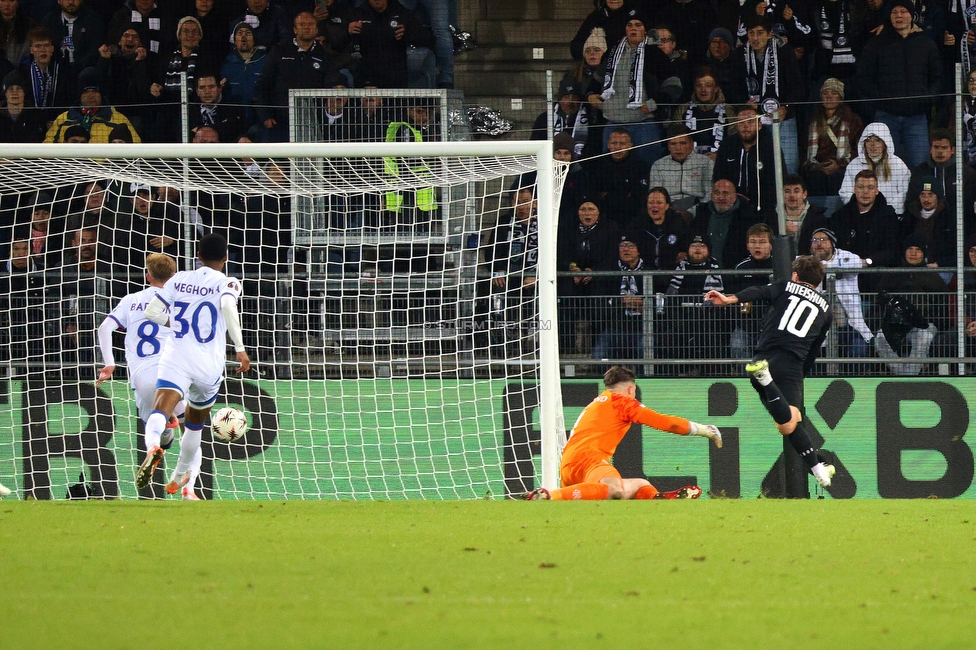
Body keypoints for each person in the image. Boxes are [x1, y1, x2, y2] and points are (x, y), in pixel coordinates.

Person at [705, 256, 837, 489]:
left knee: (788, 423)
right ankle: (818, 467)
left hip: (762, 357)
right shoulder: (826, 309)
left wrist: (730, 299)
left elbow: (759, 291)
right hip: (790, 364)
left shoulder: (785, 286)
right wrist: (800, 375)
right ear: (818, 282)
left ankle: (818, 467)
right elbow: (814, 349)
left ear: (796, 276)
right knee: (789, 422)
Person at [134, 233, 250, 493]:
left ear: (198, 256)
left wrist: (174, 324)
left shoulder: (180, 279)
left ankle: (154, 446)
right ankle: (178, 477)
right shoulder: (228, 282)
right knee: (194, 423)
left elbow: (151, 312)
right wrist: (240, 349)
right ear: (225, 257)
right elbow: (229, 308)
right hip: (208, 364)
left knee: (159, 412)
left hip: (177, 357)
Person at [524, 365, 722, 500]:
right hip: (589, 460)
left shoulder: (599, 401)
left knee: (639, 484)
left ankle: (657, 499)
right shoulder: (622, 401)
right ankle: (550, 496)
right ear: (630, 389)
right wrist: (704, 430)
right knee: (614, 487)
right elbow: (665, 423)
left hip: (569, 464)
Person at [95, 253, 202, 500]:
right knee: (192, 429)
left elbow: (105, 328)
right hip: (173, 372)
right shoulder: (180, 301)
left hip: (142, 376)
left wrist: (109, 365)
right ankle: (189, 489)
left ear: (148, 275)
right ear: (173, 276)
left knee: (155, 423)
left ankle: (154, 445)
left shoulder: (131, 300)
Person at [855, 0, 941, 169]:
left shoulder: (926, 43)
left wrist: (927, 98)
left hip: (916, 117)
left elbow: (937, 77)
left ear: (912, 16)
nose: (899, 16)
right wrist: (881, 100)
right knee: (883, 166)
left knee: (920, 166)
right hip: (886, 117)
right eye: (895, 12)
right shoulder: (876, 43)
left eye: (903, 12)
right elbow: (863, 78)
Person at [589, 10, 676, 166]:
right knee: (609, 169)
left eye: (638, 25)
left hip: (643, 122)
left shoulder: (655, 54)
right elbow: (596, 81)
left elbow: (674, 86)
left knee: (649, 165)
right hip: (612, 121)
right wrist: (590, 95)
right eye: (629, 25)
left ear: (645, 30)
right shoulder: (612, 52)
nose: (633, 28)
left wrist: (652, 104)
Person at [725, 14, 802, 174]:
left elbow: (798, 86)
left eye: (760, 32)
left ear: (769, 33)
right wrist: (744, 104)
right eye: (751, 33)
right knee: (761, 168)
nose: (755, 37)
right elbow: (732, 88)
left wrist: (786, 107)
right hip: (754, 121)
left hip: (783, 118)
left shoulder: (784, 52)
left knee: (788, 166)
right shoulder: (739, 55)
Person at [251, 11, 335, 142]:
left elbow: (329, 86)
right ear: (295, 29)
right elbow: (263, 85)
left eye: (310, 24)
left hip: (313, 121)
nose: (306, 27)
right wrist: (265, 115)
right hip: (280, 121)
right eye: (302, 24)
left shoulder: (324, 55)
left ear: (316, 29)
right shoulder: (279, 51)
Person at [875, 234, 950, 375]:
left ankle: (909, 376)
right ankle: (903, 375)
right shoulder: (892, 274)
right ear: (904, 251)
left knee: (923, 338)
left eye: (918, 250)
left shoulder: (933, 277)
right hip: (894, 324)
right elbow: (879, 303)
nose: (913, 253)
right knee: (881, 338)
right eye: (910, 248)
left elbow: (942, 307)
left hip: (923, 325)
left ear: (924, 254)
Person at [557, 195, 619, 356]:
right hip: (574, 279)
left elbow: (613, 257)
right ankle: (567, 350)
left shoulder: (610, 228)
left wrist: (594, 272)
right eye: (583, 209)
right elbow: (561, 253)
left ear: (598, 213)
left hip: (599, 279)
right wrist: (573, 268)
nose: (587, 213)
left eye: (591, 209)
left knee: (599, 304)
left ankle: (596, 351)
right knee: (565, 298)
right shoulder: (568, 228)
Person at [809, 227, 874, 362]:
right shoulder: (807, 262)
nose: (818, 244)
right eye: (815, 240)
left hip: (849, 324)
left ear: (832, 244)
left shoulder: (845, 256)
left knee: (859, 348)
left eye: (823, 240)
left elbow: (858, 264)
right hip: (818, 325)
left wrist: (828, 269)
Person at [800, 78, 863, 213]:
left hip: (843, 166)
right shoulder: (812, 120)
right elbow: (805, 150)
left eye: (833, 93)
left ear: (840, 97)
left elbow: (858, 149)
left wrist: (839, 164)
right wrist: (817, 166)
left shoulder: (853, 119)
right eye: (825, 93)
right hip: (818, 167)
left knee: (838, 178)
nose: (829, 97)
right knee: (815, 178)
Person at [713, 107, 780, 219]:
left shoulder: (770, 146)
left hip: (763, 205)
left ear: (759, 125)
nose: (745, 126)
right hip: (732, 203)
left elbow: (775, 181)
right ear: (736, 125)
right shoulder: (727, 145)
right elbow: (718, 176)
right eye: (741, 122)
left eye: (750, 122)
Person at [906, 128, 976, 234]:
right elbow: (911, 202)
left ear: (953, 150)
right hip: (926, 225)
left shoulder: (966, 173)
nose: (939, 152)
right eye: (936, 147)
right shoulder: (919, 172)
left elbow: (969, 205)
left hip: (958, 228)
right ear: (930, 149)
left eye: (944, 148)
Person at [44, 66, 140, 142]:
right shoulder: (63, 119)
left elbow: (136, 146)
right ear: (79, 94)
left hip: (104, 166)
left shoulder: (119, 120)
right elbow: (47, 147)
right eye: (86, 92)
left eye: (94, 91)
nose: (90, 96)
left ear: (101, 94)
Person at [831, 169, 902, 270]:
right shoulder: (840, 217)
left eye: (870, 187)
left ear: (877, 191)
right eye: (861, 187)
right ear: (854, 189)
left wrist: (868, 261)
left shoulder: (888, 216)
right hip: (846, 271)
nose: (865, 192)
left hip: (877, 273)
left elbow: (893, 251)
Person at [625, 186, 688, 294]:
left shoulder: (677, 223)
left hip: (672, 274)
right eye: (650, 202)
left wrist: (684, 253)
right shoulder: (638, 223)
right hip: (644, 275)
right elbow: (627, 243)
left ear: (667, 205)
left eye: (659, 202)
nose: (654, 206)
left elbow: (687, 244)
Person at [838, 122, 910, 215]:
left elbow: (904, 194)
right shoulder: (854, 165)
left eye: (877, 140)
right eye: (868, 140)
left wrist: (885, 211)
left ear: (885, 143)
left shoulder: (898, 165)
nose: (873, 144)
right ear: (864, 144)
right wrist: (864, 210)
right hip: (860, 216)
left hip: (890, 216)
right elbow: (845, 192)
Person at [688, 178, 761, 268]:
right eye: (717, 193)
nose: (721, 197)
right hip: (704, 273)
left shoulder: (748, 216)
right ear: (711, 196)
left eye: (726, 193)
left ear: (735, 196)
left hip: (735, 273)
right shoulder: (701, 214)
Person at [728, 222, 774, 359]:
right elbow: (732, 294)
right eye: (753, 242)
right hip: (746, 324)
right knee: (737, 345)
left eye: (762, 242)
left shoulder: (780, 266)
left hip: (771, 325)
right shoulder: (741, 268)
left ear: (771, 245)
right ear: (747, 246)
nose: (757, 246)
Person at [586, 127, 649, 225]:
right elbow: (594, 194)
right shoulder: (598, 164)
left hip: (631, 217)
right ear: (608, 145)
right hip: (603, 216)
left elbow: (638, 198)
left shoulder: (640, 166)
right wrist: (624, 195)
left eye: (622, 144)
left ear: (630, 146)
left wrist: (608, 195)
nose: (618, 147)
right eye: (614, 143)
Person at [648, 123, 713, 214]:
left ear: (692, 144)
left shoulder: (705, 163)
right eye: (673, 144)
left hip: (699, 210)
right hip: (668, 211)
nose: (678, 148)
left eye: (683, 143)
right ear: (668, 146)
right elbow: (655, 197)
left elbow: (710, 194)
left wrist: (692, 213)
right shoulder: (659, 165)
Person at [673, 65, 732, 162]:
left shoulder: (729, 110)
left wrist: (720, 155)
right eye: (699, 85)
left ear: (716, 88)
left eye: (708, 85)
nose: (703, 90)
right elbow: (674, 140)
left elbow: (735, 141)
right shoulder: (682, 109)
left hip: (720, 162)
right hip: (688, 162)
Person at [220, 22, 267, 129]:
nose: (243, 36)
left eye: (248, 33)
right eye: (240, 33)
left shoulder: (265, 61)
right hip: (235, 121)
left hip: (261, 120)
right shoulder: (226, 64)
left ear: (254, 39)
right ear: (234, 39)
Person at [41, 0, 105, 70]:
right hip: (57, 67)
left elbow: (94, 49)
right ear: (59, 1)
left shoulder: (93, 19)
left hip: (83, 67)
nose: (71, 2)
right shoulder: (50, 20)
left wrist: (78, 66)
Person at [781, 174, 828, 255]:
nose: (792, 195)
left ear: (804, 194)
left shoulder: (819, 219)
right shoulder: (772, 218)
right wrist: (783, 234)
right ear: (781, 194)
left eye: (796, 191)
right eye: (787, 191)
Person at [0, 70, 45, 142]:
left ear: (24, 92)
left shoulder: (35, 116)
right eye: (11, 89)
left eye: (19, 89)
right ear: (5, 93)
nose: (15, 93)